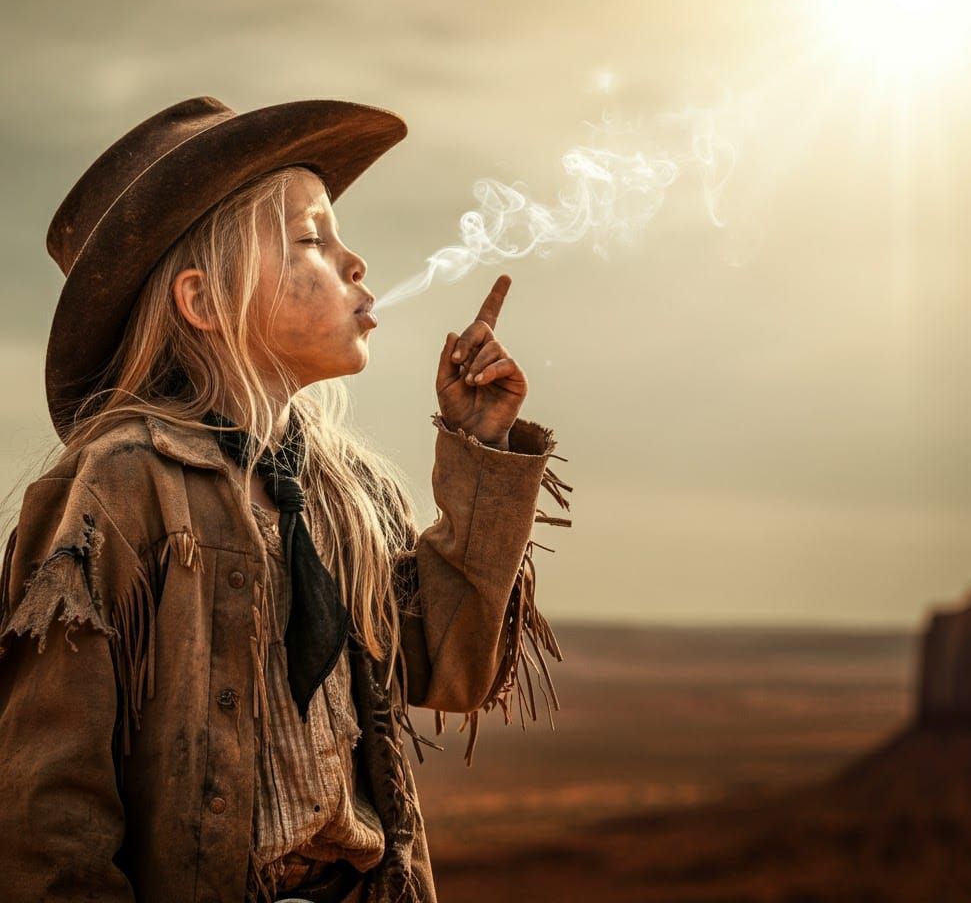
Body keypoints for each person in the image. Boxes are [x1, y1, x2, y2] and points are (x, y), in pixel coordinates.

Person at [0, 96, 572, 903]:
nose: (354, 262)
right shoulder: (121, 485)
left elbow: (449, 668)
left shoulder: (352, 491)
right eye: (312, 239)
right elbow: (49, 809)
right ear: (204, 302)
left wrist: (479, 449)